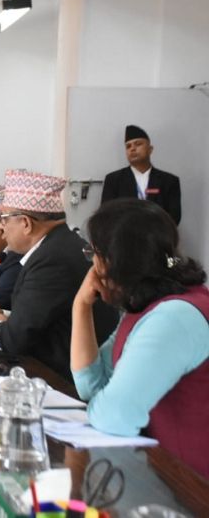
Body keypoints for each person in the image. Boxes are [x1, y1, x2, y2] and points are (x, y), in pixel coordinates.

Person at [71, 199, 208, 478]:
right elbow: (92, 385)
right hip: (162, 474)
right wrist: (81, 306)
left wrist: (107, 402)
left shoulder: (173, 317)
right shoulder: (145, 306)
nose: (93, 265)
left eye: (94, 253)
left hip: (191, 486)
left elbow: (114, 417)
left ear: (117, 262)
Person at [0, 169, 118, 379]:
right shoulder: (60, 245)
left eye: (4, 219)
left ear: (25, 223)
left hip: (63, 379)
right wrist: (3, 317)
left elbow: (15, 340)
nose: (1, 227)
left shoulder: (52, 260)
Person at [101, 125, 181, 224]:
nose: (132, 149)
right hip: (123, 233)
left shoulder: (169, 181)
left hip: (157, 233)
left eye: (138, 144)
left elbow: (174, 218)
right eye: (128, 146)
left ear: (150, 149)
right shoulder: (113, 180)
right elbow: (106, 215)